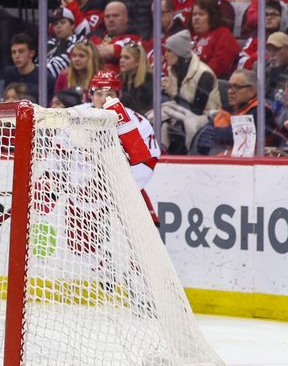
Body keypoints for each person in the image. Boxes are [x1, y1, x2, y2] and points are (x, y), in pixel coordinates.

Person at [77, 70, 160, 222]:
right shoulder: (76, 116)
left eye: (109, 95)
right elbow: (60, 156)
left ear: (119, 96)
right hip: (84, 200)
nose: (103, 100)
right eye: (98, 94)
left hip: (126, 197)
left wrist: (119, 188)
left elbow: (148, 161)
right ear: (91, 95)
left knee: (139, 244)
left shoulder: (136, 122)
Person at [157, 29, 221, 154]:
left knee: (185, 124)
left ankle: (191, 156)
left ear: (179, 53)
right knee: (158, 118)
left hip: (207, 117)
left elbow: (197, 110)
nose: (166, 55)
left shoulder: (204, 74)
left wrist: (174, 94)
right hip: (183, 111)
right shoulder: (173, 70)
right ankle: (160, 154)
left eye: (169, 51)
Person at [194, 68, 277, 155]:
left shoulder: (261, 111)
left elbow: (238, 137)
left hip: (252, 165)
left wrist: (216, 134)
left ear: (252, 91)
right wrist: (220, 134)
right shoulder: (227, 109)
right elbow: (203, 141)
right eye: (229, 87)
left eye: (237, 87)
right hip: (221, 161)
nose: (230, 91)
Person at [189, 0, 240, 79]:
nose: (196, 18)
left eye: (201, 14)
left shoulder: (223, 34)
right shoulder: (192, 38)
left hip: (214, 82)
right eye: (194, 15)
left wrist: (195, 76)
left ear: (212, 16)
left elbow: (220, 64)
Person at [90, 1, 144, 72]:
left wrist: (98, 50)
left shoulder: (134, 38)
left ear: (126, 18)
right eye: (107, 16)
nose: (111, 20)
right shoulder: (97, 37)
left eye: (115, 16)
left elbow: (116, 51)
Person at [0, 33, 54, 104]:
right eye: (14, 52)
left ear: (31, 53)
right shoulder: (9, 73)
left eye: (21, 51)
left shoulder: (45, 78)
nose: (17, 56)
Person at [238, 0, 282, 70]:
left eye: (273, 14)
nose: (269, 18)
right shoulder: (256, 36)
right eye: (266, 14)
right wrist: (257, 57)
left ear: (282, 18)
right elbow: (241, 61)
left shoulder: (285, 39)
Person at [118, 42, 153, 115]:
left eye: (126, 58)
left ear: (137, 62)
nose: (121, 60)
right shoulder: (121, 79)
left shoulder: (149, 80)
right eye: (121, 57)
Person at [46, 7, 80, 79]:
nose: (58, 26)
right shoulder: (50, 42)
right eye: (55, 24)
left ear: (72, 25)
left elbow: (59, 67)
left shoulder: (79, 42)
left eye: (63, 22)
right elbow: (37, 63)